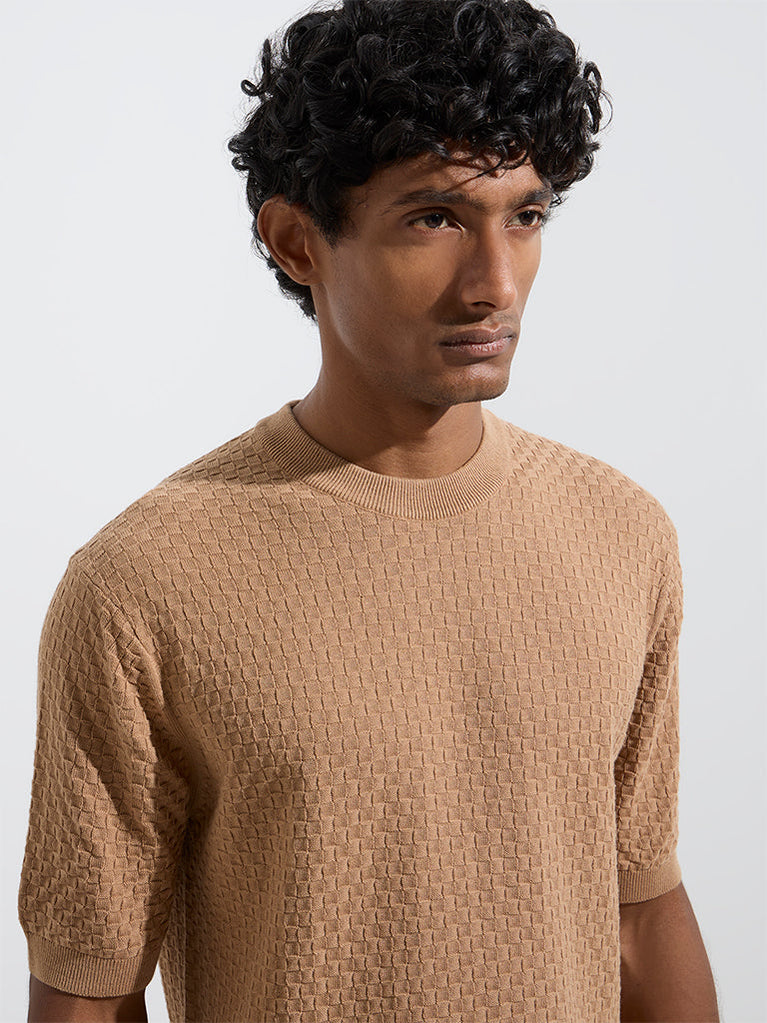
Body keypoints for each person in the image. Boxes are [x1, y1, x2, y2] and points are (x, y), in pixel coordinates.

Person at [19, 0, 720, 1020]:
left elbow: (640, 910)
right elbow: (88, 986)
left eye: (524, 217)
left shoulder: (621, 533)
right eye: (434, 218)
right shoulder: (140, 584)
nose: (494, 284)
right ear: (295, 242)